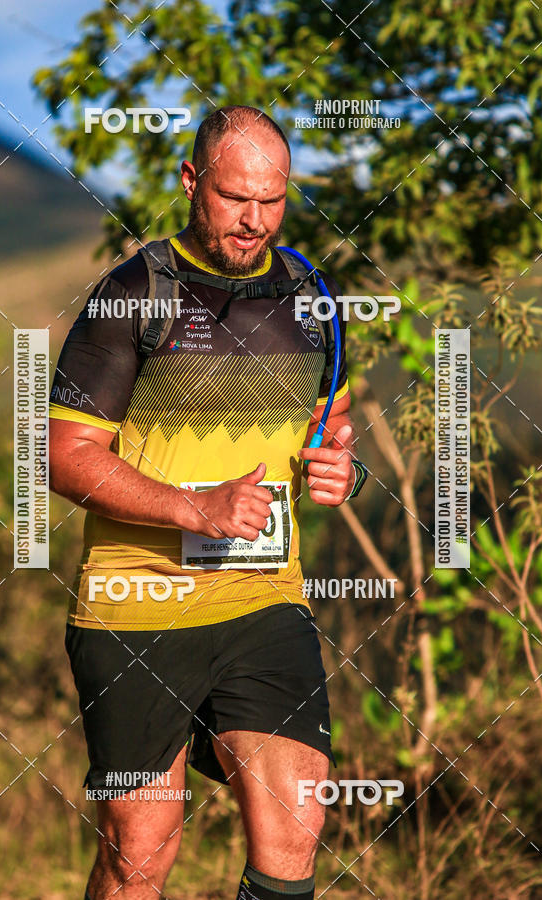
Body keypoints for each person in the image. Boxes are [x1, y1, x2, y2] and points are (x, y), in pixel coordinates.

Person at [49, 105, 361, 900]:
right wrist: (195, 509)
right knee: (139, 854)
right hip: (138, 606)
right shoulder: (132, 294)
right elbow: (63, 456)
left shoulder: (312, 296)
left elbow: (334, 427)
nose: (254, 221)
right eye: (234, 198)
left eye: (272, 200)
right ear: (192, 181)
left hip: (262, 597)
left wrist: (340, 471)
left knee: (297, 818)